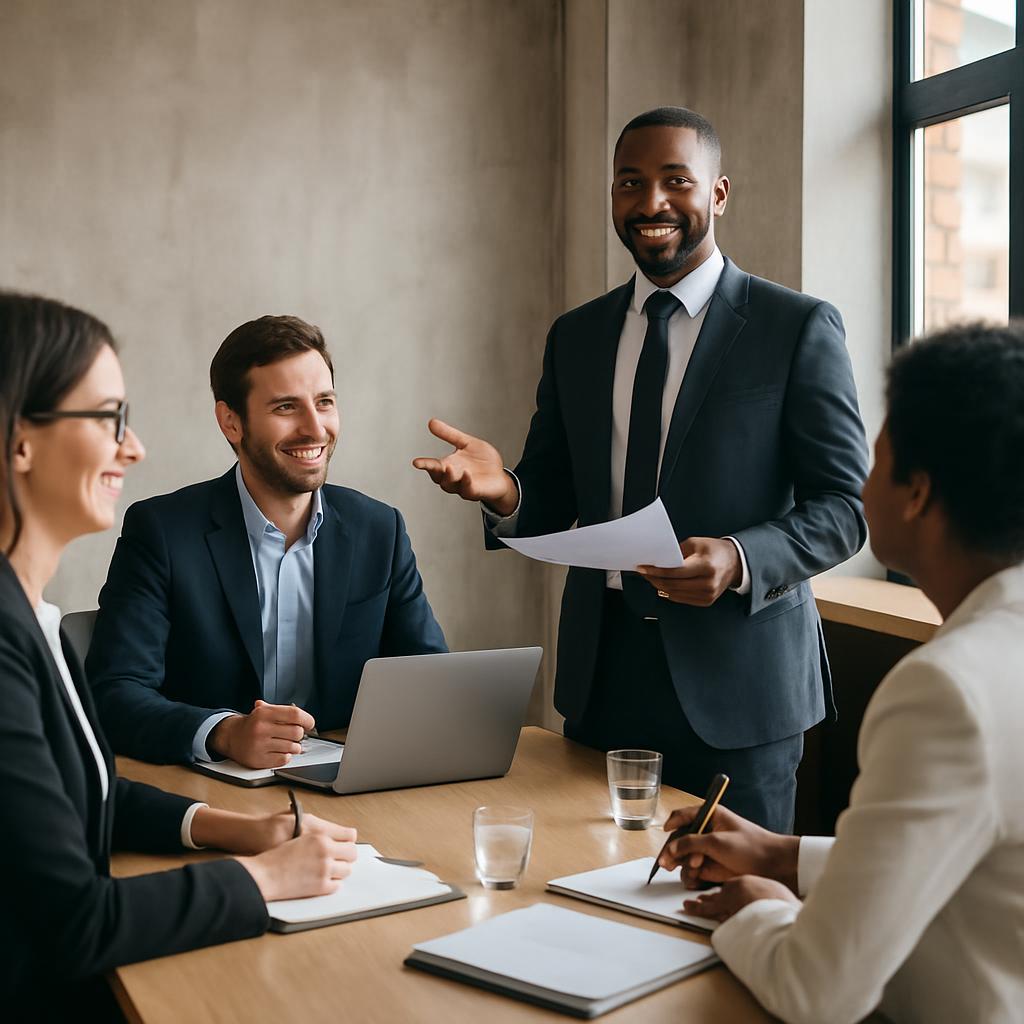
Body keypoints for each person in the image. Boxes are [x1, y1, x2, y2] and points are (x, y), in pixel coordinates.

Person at [413, 106, 868, 831]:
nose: (650, 203)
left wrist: (741, 556)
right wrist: (503, 492)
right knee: (591, 896)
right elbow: (552, 486)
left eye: (674, 181)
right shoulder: (578, 336)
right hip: (605, 677)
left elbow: (845, 506)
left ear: (717, 194)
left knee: (731, 909)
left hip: (740, 683)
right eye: (630, 182)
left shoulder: (796, 328)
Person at [0, 292, 359, 1018]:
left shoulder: (32, 616)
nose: (133, 448)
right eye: (108, 420)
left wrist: (236, 828)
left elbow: (86, 797)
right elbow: (77, 925)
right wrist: (264, 879)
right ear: (19, 441)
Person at [658, 322, 1024, 1024]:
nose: (860, 480)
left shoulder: (947, 692)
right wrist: (785, 854)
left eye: (877, 455)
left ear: (916, 492)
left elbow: (816, 992)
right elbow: (983, 855)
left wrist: (765, 910)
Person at [88, 314, 446, 767]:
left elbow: (430, 681)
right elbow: (112, 693)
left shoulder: (380, 529)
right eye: (285, 407)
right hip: (210, 786)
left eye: (325, 402)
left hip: (346, 783)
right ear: (231, 422)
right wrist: (224, 733)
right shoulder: (161, 531)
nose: (315, 428)